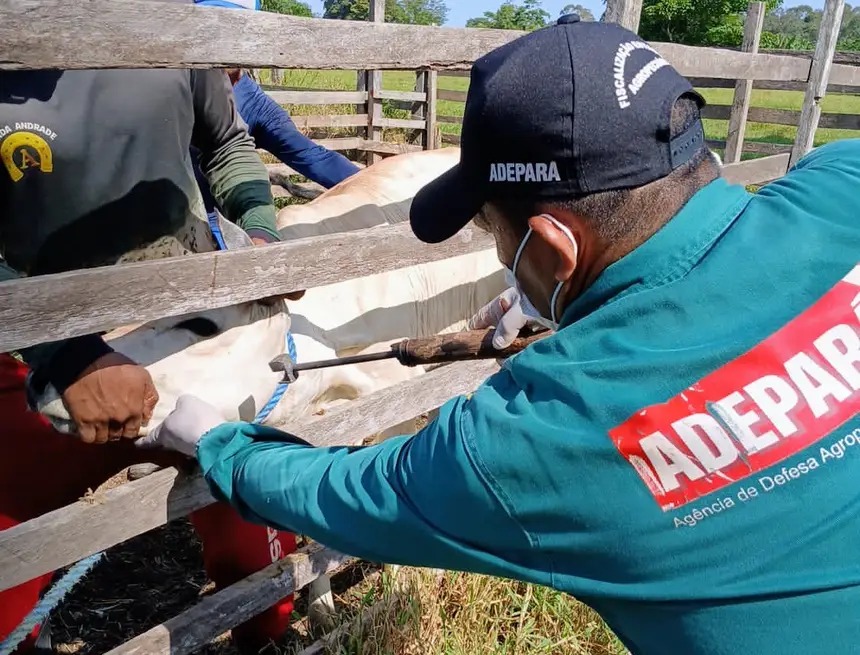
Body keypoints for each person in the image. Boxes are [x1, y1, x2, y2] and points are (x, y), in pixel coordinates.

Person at [137, 15, 860, 655]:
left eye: (491, 231)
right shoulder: (839, 186)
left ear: (551, 248)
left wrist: (218, 443)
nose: (494, 255)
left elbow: (347, 492)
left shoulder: (543, 434)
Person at [0, 59, 295, 654]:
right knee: (10, 553)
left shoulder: (172, 28)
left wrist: (260, 236)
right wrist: (64, 352)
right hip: (29, 346)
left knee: (250, 531)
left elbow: (225, 143)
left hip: (191, 326)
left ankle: (262, 638)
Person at [191, 0, 360, 222]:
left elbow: (313, 158)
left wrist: (371, 186)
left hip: (242, 97)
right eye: (215, 29)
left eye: (239, 30)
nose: (227, 42)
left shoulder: (256, 108)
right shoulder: (182, 96)